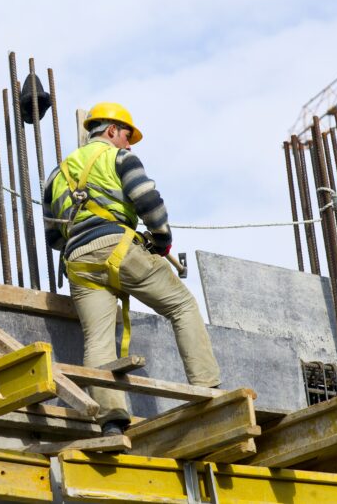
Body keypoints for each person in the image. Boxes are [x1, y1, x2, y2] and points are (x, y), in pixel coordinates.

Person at [42, 102, 221, 435]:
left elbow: (53, 236)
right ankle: (208, 389)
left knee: (97, 341)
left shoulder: (56, 175)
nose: (128, 144)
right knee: (182, 306)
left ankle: (111, 420)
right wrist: (162, 240)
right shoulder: (119, 158)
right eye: (126, 136)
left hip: (78, 262)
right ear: (111, 131)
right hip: (119, 249)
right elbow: (148, 201)